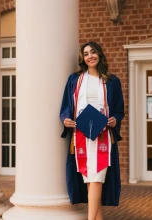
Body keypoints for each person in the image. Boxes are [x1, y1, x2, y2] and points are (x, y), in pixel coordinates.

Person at [60, 42, 124, 220]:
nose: (90, 56)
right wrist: (65, 119)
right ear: (83, 58)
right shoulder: (74, 80)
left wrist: (114, 120)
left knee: (97, 177)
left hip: (102, 135)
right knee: (89, 177)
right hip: (80, 135)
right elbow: (66, 106)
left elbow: (119, 110)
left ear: (100, 54)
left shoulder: (111, 81)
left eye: (93, 52)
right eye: (86, 53)